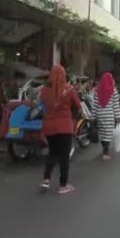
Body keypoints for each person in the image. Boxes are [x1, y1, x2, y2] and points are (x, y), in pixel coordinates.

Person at [39, 65, 81, 194]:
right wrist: (72, 116)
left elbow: (43, 105)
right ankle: (63, 185)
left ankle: (46, 179)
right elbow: (78, 106)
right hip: (64, 127)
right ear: (63, 75)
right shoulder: (69, 89)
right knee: (64, 156)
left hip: (49, 127)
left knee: (52, 153)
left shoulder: (44, 91)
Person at [93, 72, 120, 161]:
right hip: (109, 115)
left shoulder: (97, 90)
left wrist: (92, 116)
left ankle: (104, 149)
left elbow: (95, 104)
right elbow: (116, 104)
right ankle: (105, 152)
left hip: (100, 115)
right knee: (108, 134)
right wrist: (118, 117)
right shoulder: (113, 90)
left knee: (102, 133)